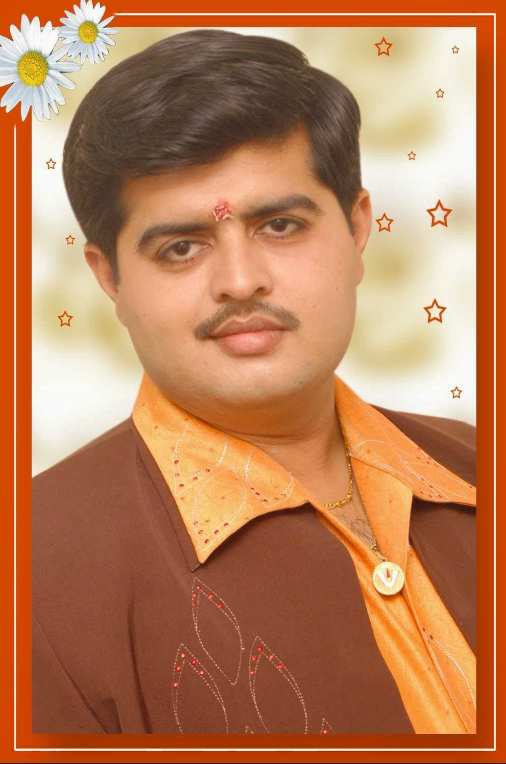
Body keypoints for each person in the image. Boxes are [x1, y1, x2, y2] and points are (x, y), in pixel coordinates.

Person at [32, 29, 476, 735]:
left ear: (357, 229)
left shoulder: (477, 467)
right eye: (181, 247)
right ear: (109, 277)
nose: (240, 282)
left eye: (281, 225)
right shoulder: (32, 565)